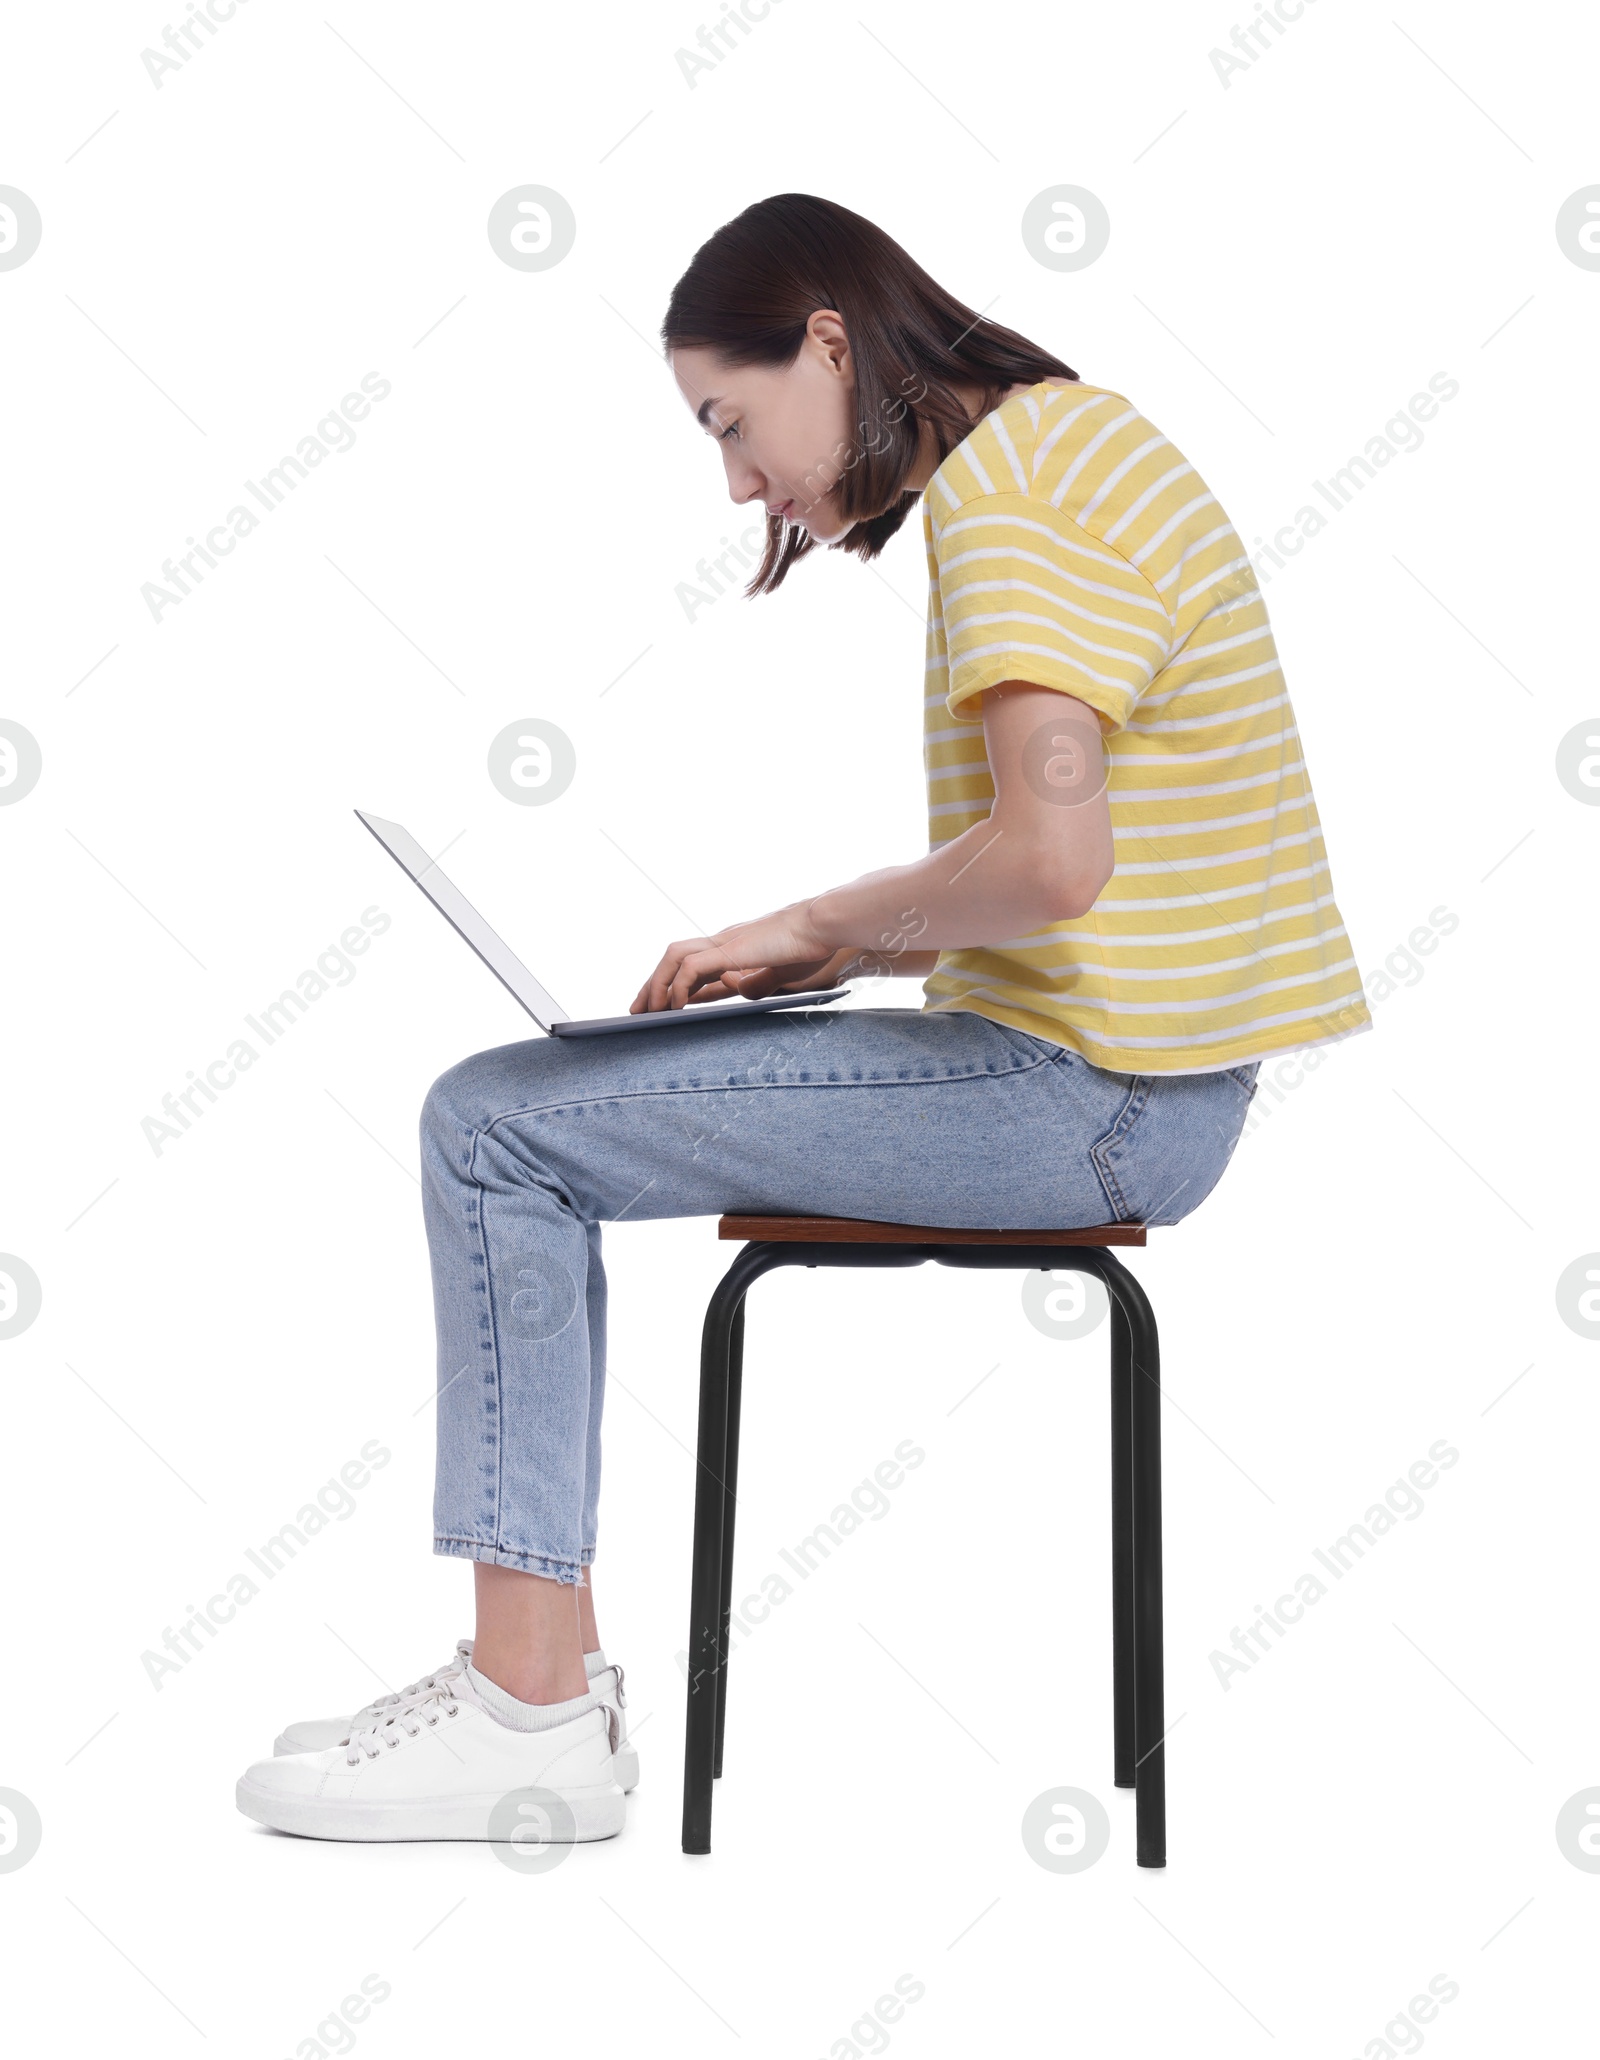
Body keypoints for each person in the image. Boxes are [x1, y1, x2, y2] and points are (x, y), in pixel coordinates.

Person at [235, 192, 1370, 1844]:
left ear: (828, 342)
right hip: (1128, 1080)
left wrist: (809, 924)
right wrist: (821, 950)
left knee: (490, 1122)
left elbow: (1054, 861)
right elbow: (1064, 861)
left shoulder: (1019, 495)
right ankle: (539, 1684)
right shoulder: (1067, 447)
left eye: (733, 420)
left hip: (1092, 1098)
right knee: (508, 1109)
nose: (739, 481)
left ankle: (530, 1705)